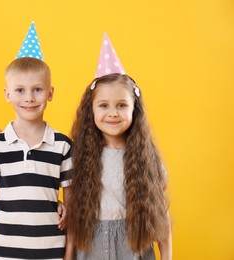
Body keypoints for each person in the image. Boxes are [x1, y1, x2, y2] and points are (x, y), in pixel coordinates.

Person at [65, 33, 172, 260]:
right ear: (91, 110)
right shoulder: (78, 157)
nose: (113, 113)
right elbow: (73, 213)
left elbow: (162, 216)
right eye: (104, 105)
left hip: (134, 246)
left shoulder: (146, 158)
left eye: (121, 105)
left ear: (134, 109)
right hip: (90, 244)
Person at [0, 22, 73, 260]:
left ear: (50, 93)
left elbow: (73, 209)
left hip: (50, 252)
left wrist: (70, 254)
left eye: (37, 90)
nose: (29, 98)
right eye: (20, 90)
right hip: (2, 253)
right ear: (7, 94)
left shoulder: (63, 146)